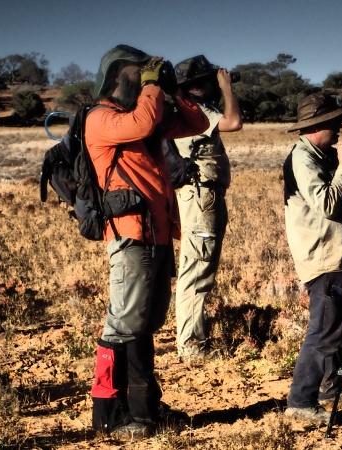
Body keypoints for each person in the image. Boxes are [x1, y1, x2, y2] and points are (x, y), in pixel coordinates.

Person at [86, 44, 209, 440]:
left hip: (156, 236)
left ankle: (144, 408)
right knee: (124, 325)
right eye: (139, 73)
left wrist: (172, 90)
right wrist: (154, 87)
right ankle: (111, 413)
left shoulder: (147, 112)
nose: (145, 79)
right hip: (129, 237)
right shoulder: (101, 118)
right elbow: (140, 125)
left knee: (145, 323)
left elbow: (197, 122)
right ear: (120, 74)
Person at [282, 92, 342, 425]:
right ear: (318, 125)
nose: (339, 130)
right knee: (324, 333)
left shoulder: (320, 152)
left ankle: (329, 389)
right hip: (323, 259)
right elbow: (327, 203)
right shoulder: (303, 159)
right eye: (335, 123)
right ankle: (301, 401)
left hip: (339, 255)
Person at [171, 55, 243, 360]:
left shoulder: (189, 108)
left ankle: (191, 338)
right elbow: (234, 121)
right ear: (197, 86)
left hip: (202, 197)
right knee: (197, 272)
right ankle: (191, 345)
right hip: (201, 197)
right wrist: (227, 88)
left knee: (199, 269)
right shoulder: (192, 110)